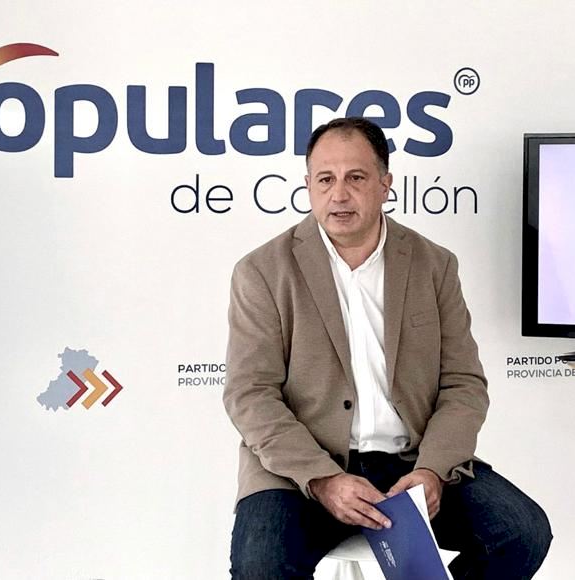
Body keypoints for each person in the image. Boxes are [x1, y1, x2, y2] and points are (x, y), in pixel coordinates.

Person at [223, 117, 551, 579]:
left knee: (521, 532)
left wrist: (433, 471)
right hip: (300, 473)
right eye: (325, 179)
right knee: (261, 565)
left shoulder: (434, 264)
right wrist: (324, 478)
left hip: (411, 464)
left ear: (385, 184)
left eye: (356, 178)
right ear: (308, 186)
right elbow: (251, 394)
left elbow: (463, 384)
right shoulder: (261, 271)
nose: (339, 194)